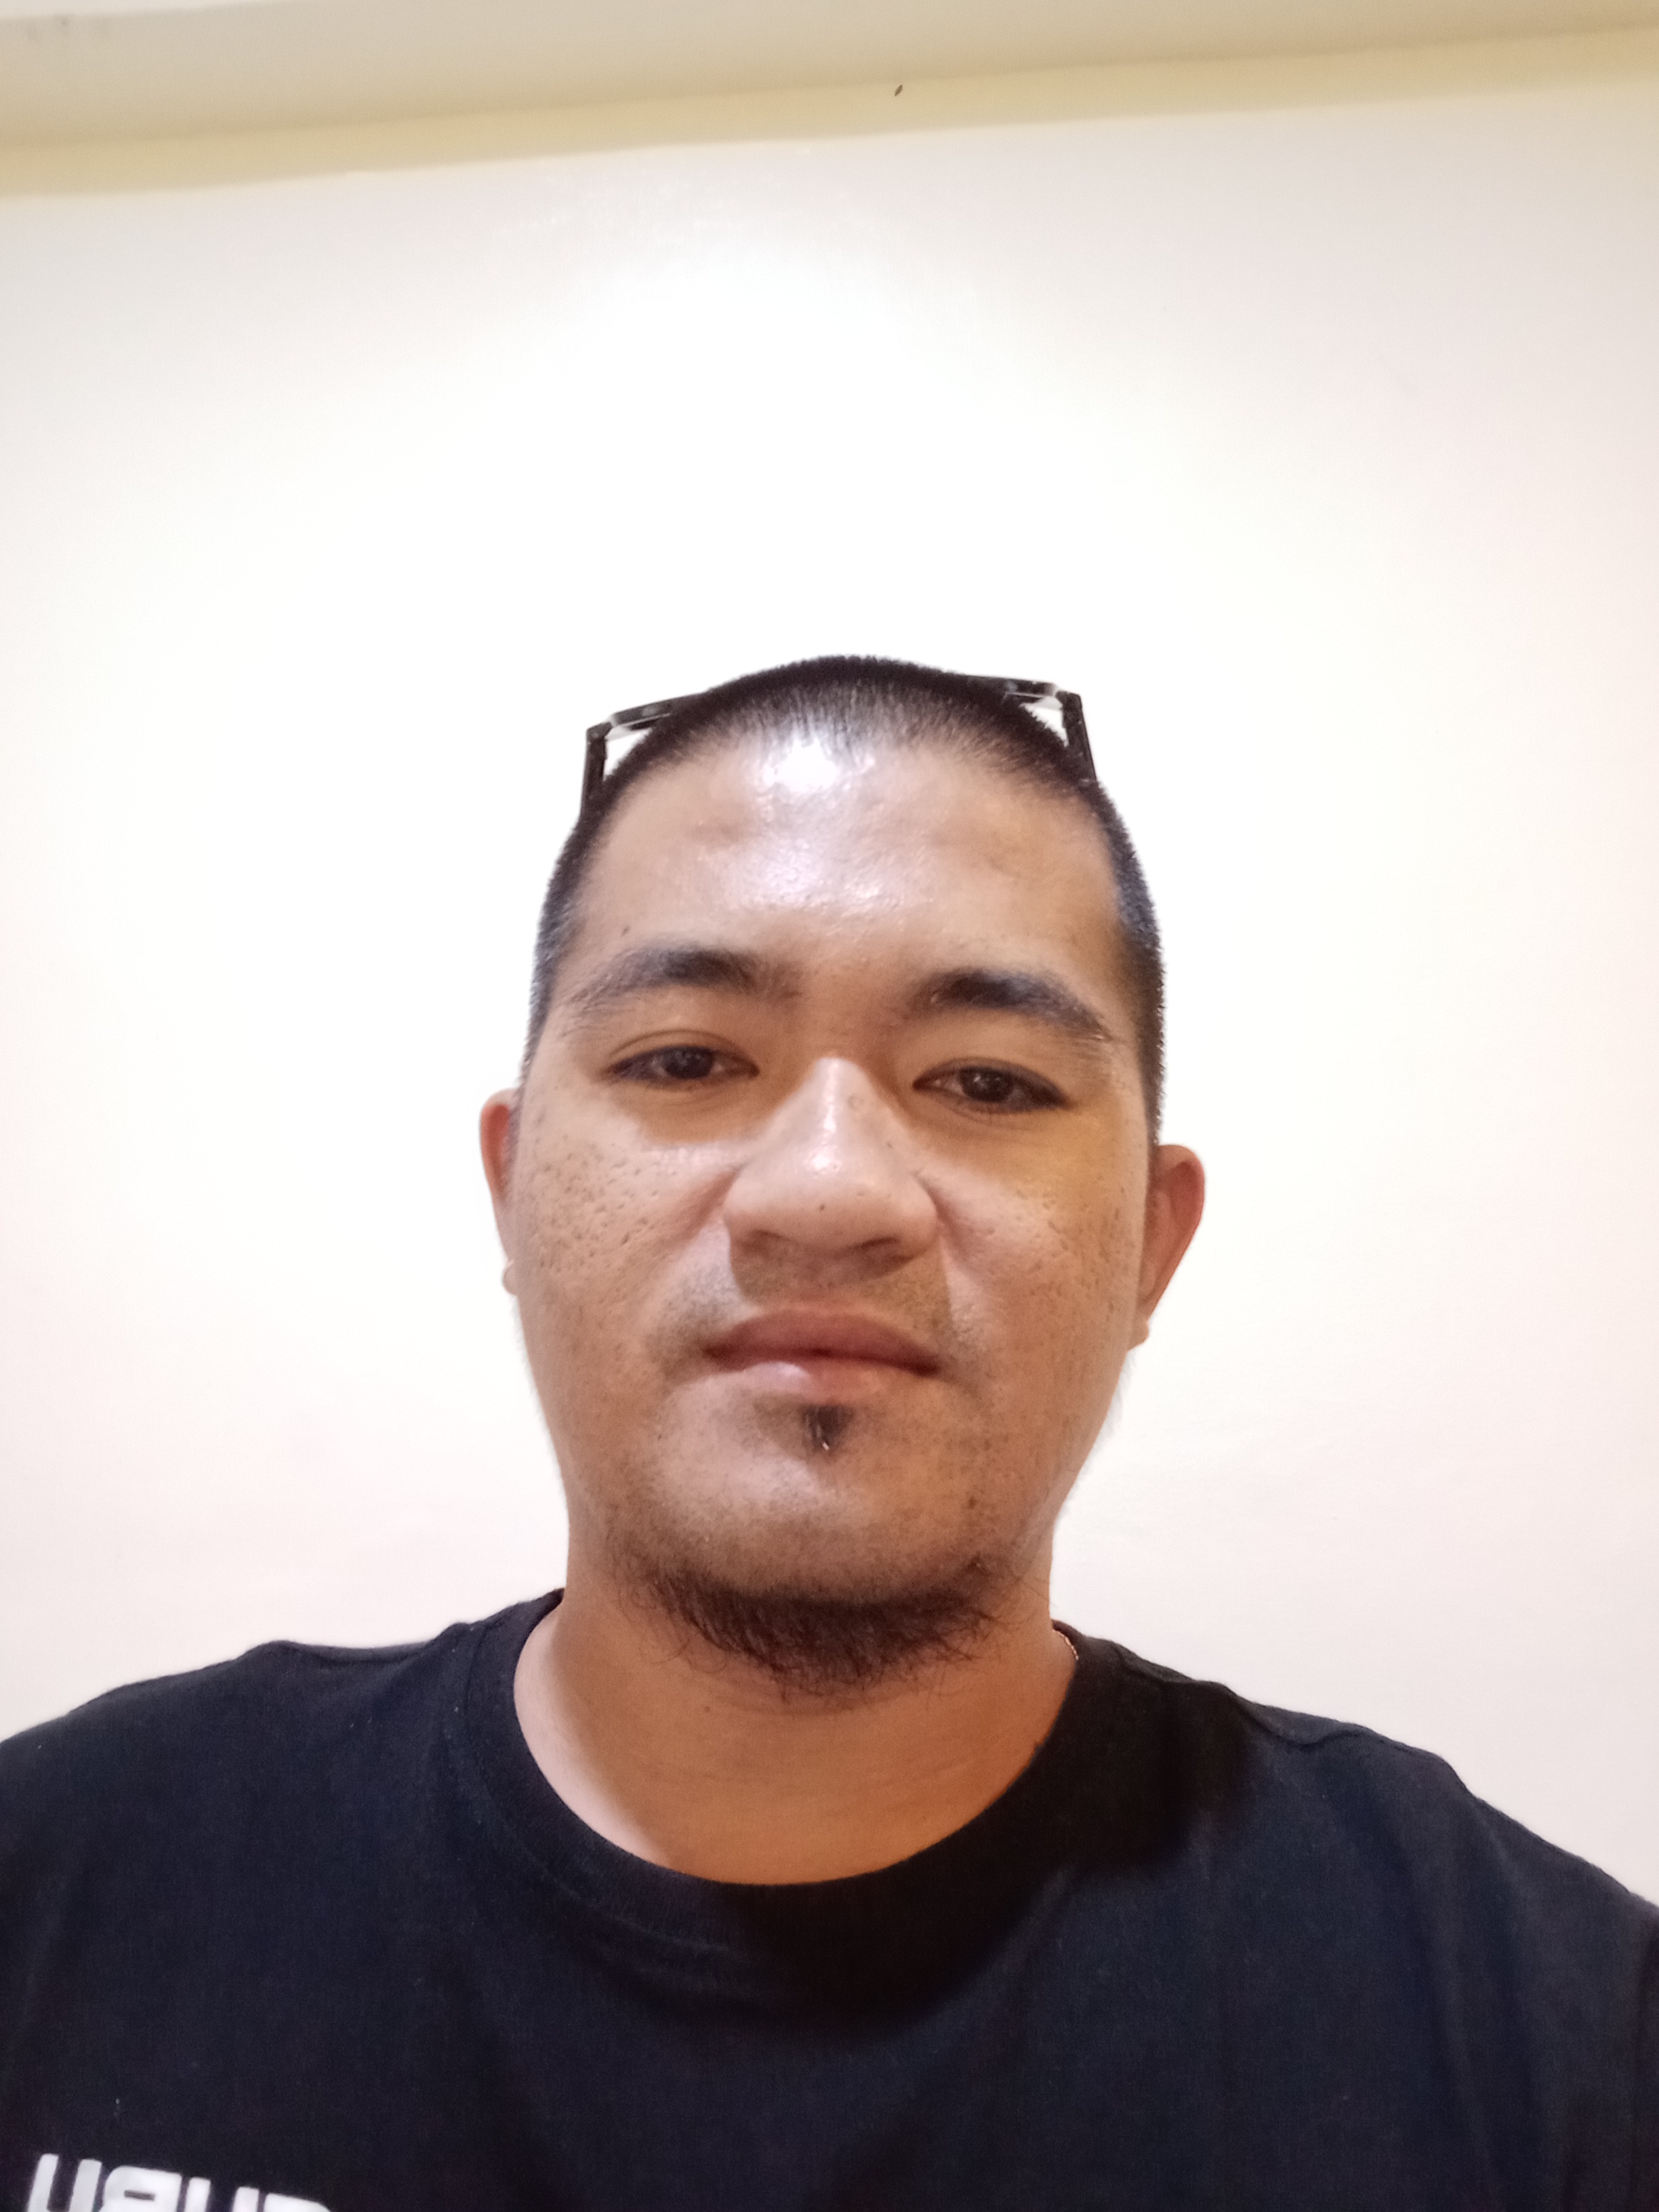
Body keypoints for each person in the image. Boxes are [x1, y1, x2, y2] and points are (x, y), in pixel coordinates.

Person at [0, 655, 1653, 2212]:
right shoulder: (69, 1877)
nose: (827, 1192)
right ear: (511, 1190)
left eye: (988, 1083)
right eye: (686, 1059)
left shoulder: (1551, 2043)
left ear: (1153, 1244)